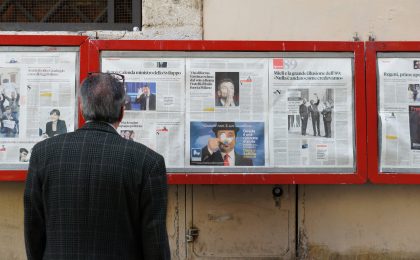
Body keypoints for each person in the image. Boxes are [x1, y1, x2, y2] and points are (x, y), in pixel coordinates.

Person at [24, 73, 170, 259]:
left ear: (81, 108)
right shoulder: (147, 161)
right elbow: (154, 239)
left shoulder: (43, 153)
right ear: (122, 111)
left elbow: (33, 227)